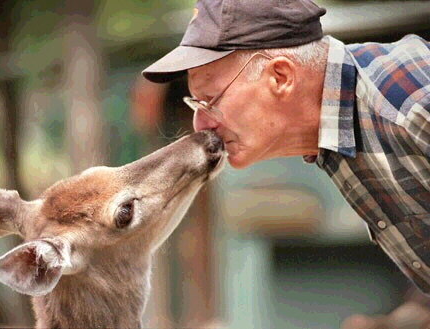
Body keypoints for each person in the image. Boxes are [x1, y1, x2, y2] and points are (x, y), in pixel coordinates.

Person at [142, 0, 430, 327]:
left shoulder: (410, 99)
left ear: (280, 77)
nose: (200, 124)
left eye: (210, 100)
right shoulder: (335, 133)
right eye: (195, 102)